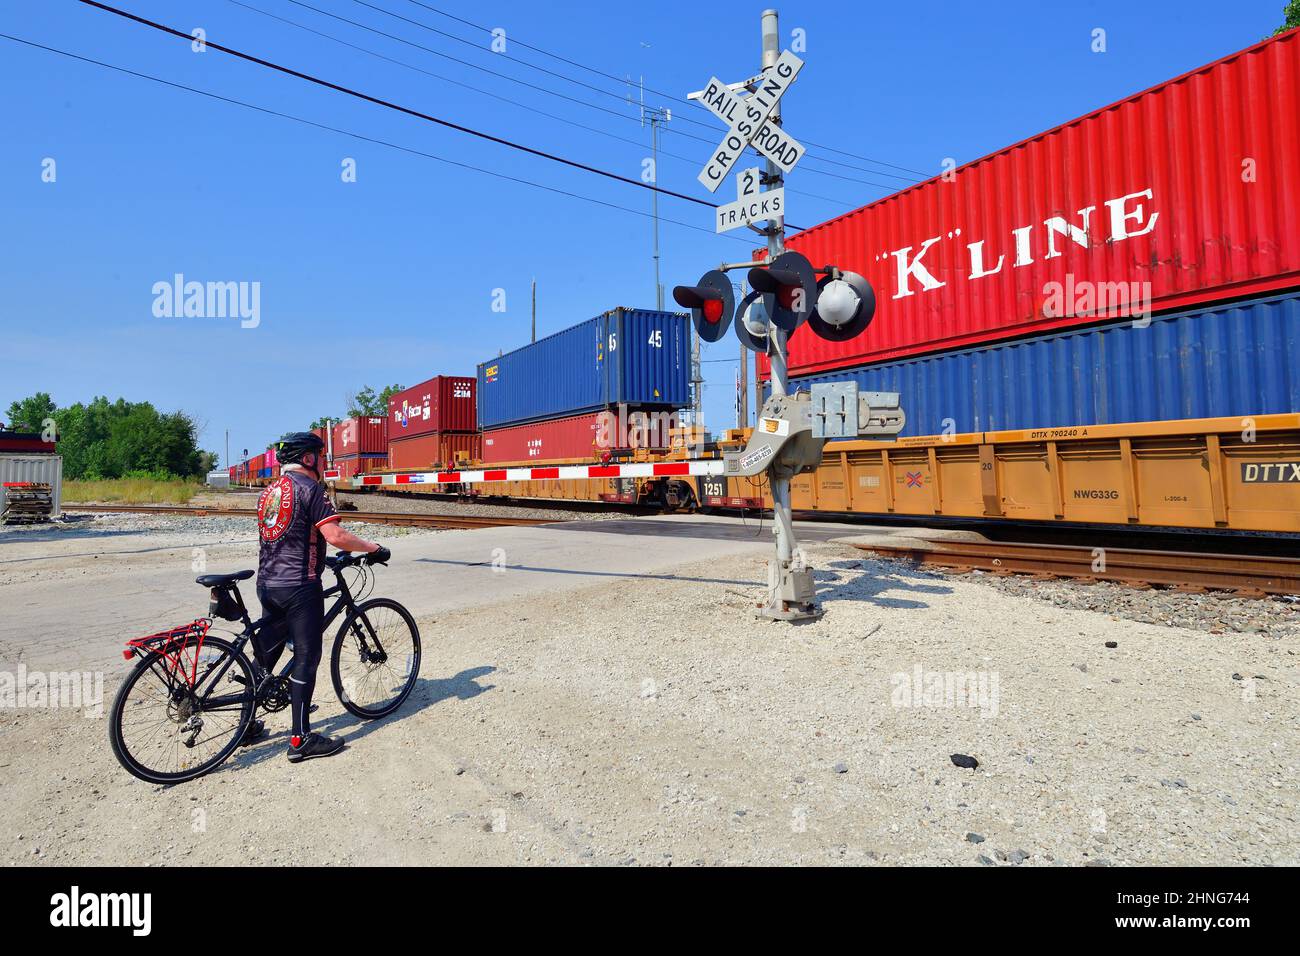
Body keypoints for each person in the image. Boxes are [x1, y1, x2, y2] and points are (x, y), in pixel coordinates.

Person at [251, 432, 390, 762]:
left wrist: (317, 553)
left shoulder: (270, 491)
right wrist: (375, 548)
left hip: (268, 583)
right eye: (322, 456)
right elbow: (336, 535)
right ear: (309, 459)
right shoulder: (310, 489)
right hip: (299, 587)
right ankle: (300, 740)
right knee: (306, 657)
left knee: (266, 656)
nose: (325, 462)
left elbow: (289, 535)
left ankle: (245, 724)